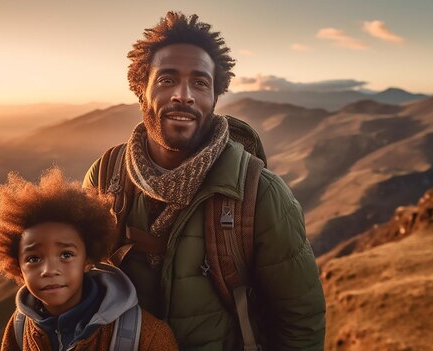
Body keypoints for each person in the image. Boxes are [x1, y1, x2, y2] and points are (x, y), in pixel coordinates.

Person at [83, 11, 326, 350]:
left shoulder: (261, 194)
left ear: (214, 97)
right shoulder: (106, 174)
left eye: (200, 82)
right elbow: (75, 281)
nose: (184, 94)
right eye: (167, 80)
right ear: (141, 89)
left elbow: (300, 322)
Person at [0, 168, 178, 351]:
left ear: (88, 259)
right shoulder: (19, 329)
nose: (49, 270)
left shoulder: (146, 335)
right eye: (33, 258)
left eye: (66, 255)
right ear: (17, 266)